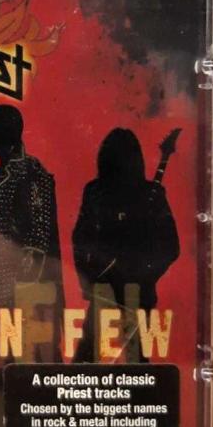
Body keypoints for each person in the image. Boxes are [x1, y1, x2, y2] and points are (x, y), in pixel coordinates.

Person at [0, 105, 64, 427]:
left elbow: (38, 243)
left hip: (24, 296)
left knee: (27, 369)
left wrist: (19, 295)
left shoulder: (32, 174)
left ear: (3, 132)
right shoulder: (2, 174)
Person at [72, 128, 179, 363]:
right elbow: (80, 239)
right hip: (108, 286)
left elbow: (170, 247)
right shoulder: (96, 192)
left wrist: (143, 272)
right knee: (90, 356)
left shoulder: (150, 194)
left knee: (134, 359)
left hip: (128, 289)